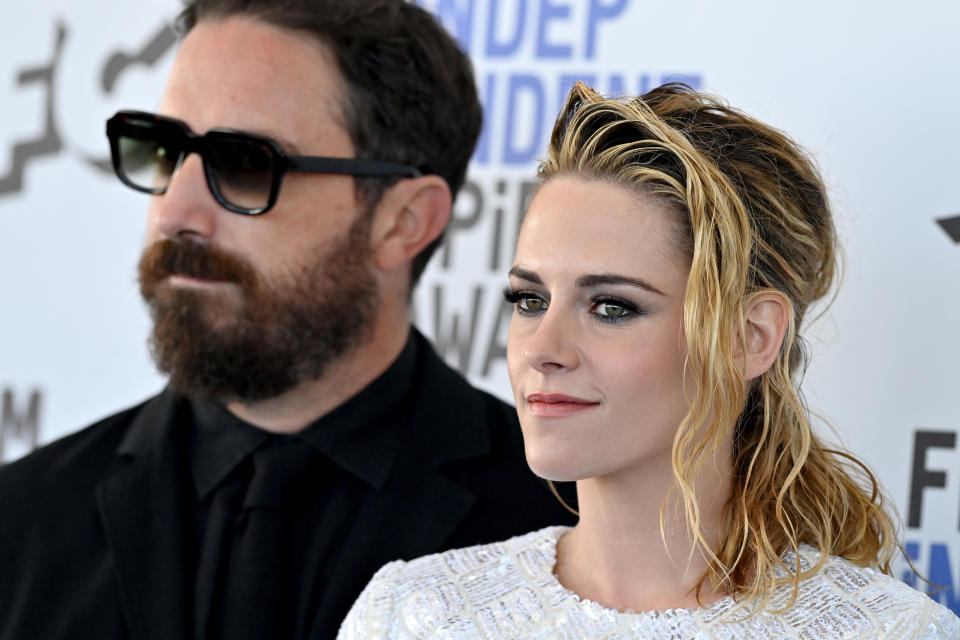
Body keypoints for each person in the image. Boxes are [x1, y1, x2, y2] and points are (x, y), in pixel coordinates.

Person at [0, 2, 575, 639]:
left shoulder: (566, 529)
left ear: (403, 221)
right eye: (165, 151)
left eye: (243, 164)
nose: (174, 213)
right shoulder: (22, 521)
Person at [338, 82, 960, 639]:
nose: (543, 350)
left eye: (611, 307)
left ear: (749, 336)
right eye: (530, 300)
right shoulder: (410, 614)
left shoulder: (894, 632)